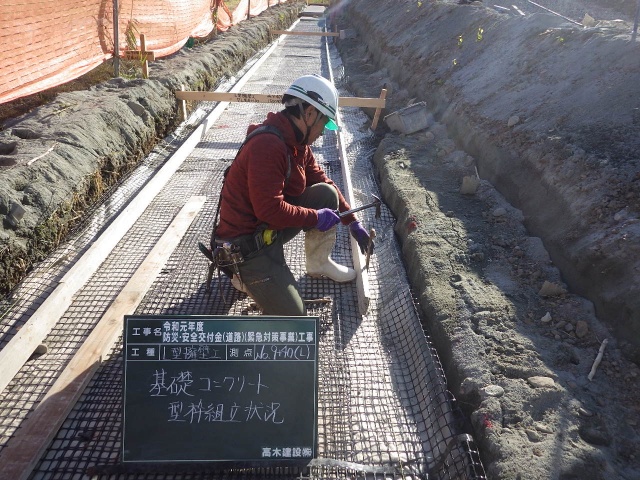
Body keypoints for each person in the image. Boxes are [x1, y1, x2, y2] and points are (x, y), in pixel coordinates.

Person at [211, 74, 372, 316]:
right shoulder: (268, 145)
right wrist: (315, 218)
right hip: (245, 244)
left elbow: (322, 180)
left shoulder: (297, 144)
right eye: (324, 123)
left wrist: (352, 222)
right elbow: (270, 210)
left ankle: (318, 263)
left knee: (326, 193)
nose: (323, 132)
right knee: (293, 316)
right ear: (308, 113)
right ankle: (243, 274)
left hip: (265, 228)